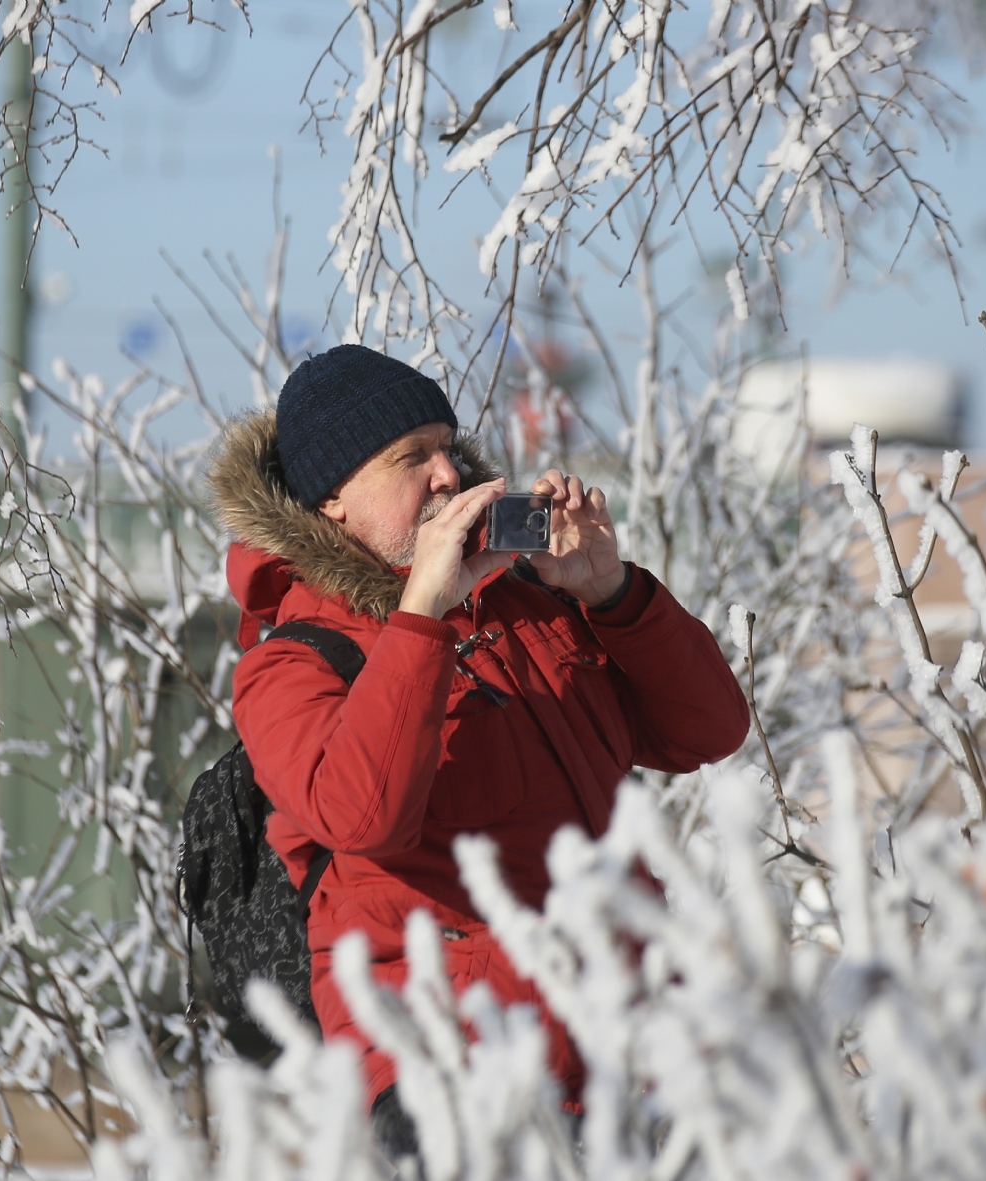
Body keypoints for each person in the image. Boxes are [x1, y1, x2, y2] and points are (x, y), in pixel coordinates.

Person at [208, 344, 749, 1157]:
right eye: (409, 457)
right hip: (449, 1070)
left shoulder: (526, 609)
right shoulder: (292, 661)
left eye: (445, 447)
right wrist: (422, 614)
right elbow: (364, 814)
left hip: (623, 1056)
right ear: (333, 501)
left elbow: (709, 728)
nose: (445, 475)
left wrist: (611, 592)